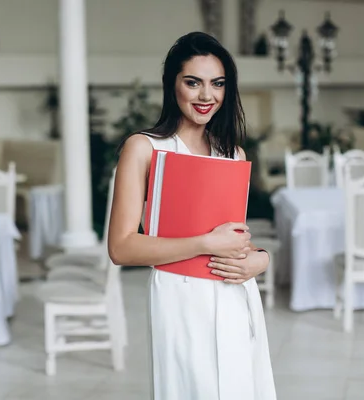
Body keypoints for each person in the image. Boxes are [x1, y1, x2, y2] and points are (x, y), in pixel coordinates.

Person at [107, 32, 276, 400]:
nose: (206, 96)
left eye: (217, 84)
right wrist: (204, 243)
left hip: (234, 293)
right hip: (180, 299)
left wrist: (260, 260)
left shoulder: (233, 153)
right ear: (172, 84)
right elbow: (121, 248)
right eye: (193, 82)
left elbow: (235, 238)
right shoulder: (144, 148)